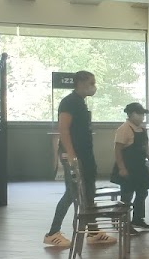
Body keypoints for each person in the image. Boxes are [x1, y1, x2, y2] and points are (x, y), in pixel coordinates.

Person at [44, 71, 114, 248]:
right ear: (81, 83)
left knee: (89, 192)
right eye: (91, 83)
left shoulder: (81, 102)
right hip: (75, 156)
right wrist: (72, 156)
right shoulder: (69, 102)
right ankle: (52, 233)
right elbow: (64, 129)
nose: (94, 86)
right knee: (72, 192)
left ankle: (93, 231)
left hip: (85, 155)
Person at [112, 102, 149, 230]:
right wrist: (121, 168)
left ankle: (138, 219)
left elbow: (144, 148)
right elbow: (117, 150)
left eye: (143, 115)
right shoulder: (124, 129)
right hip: (128, 166)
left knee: (142, 192)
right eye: (139, 114)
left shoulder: (142, 129)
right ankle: (125, 222)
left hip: (140, 166)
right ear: (132, 114)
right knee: (127, 195)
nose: (142, 117)